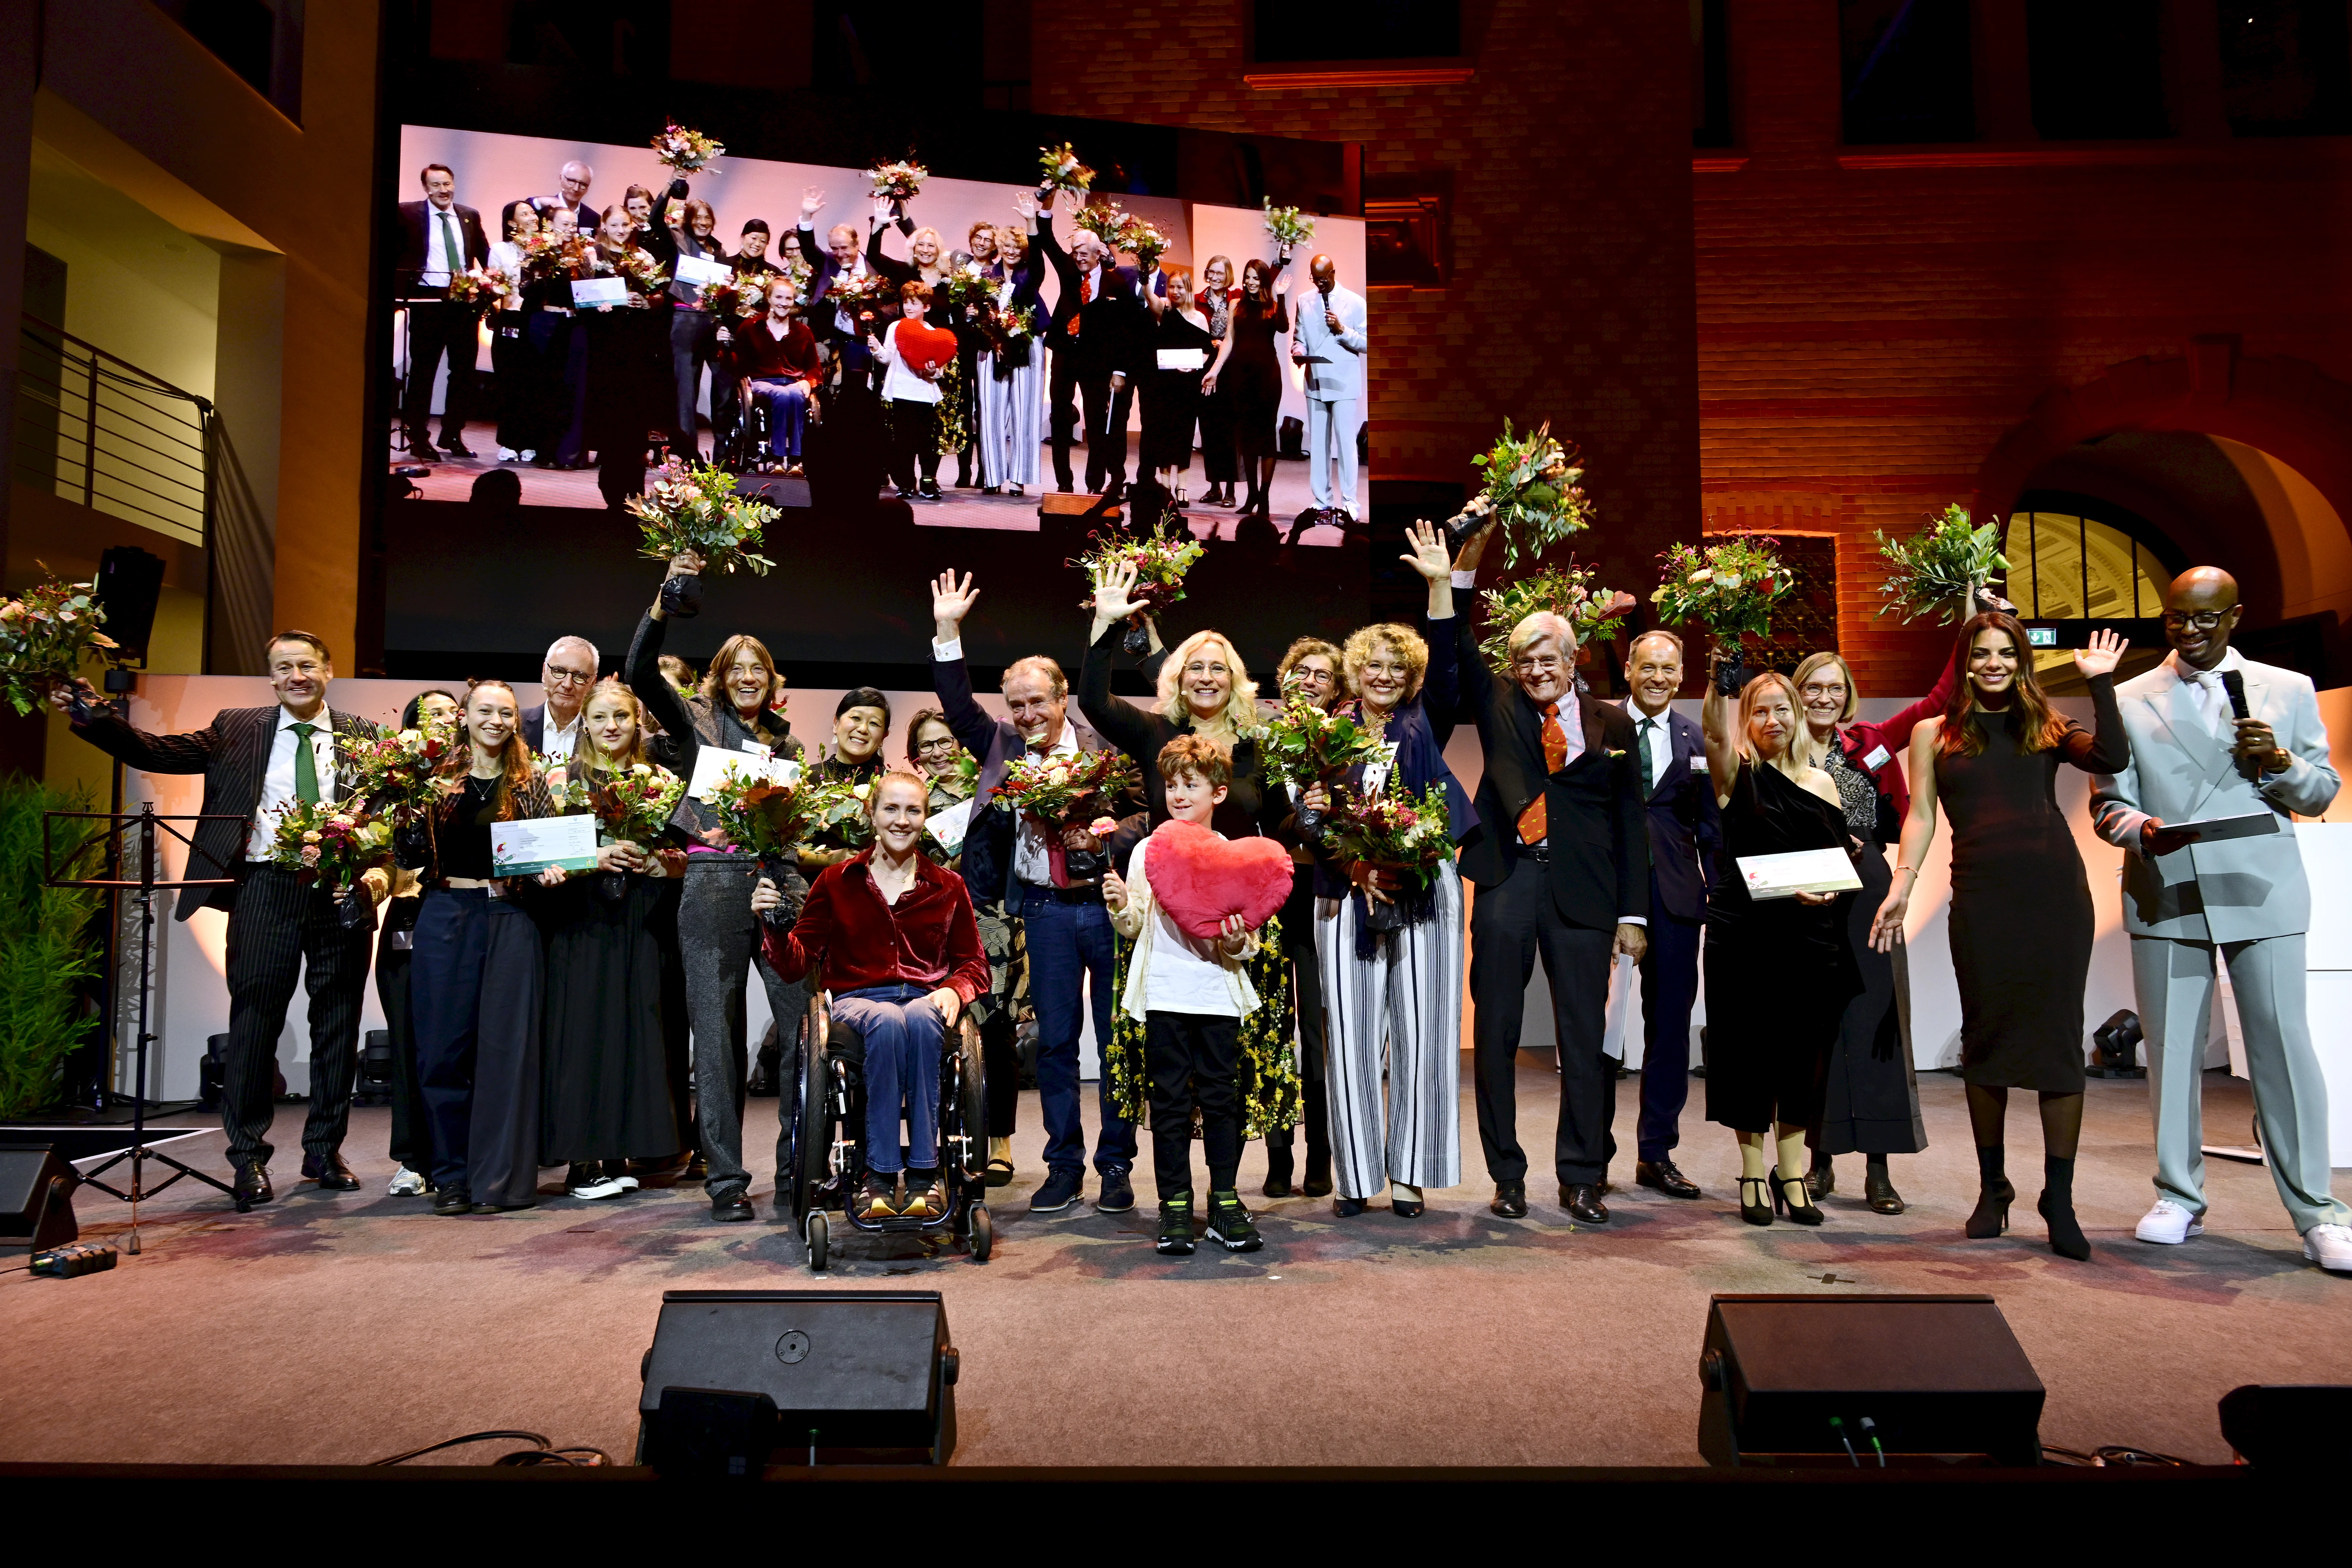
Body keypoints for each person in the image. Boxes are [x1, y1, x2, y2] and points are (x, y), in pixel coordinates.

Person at [54, 632, 387, 1208]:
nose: (295, 677)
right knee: (254, 1021)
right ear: (273, 677)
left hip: (339, 889)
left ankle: (324, 1148)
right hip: (263, 887)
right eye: (283, 668)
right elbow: (158, 752)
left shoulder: (364, 736)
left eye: (306, 665)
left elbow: (385, 807)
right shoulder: (237, 726)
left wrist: (374, 867)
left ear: (328, 670)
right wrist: (96, 718)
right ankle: (248, 1157)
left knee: (338, 1022)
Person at [2089, 568, 2352, 1274]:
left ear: (2234, 617)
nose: (2191, 631)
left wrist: (2278, 763)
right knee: (2171, 1052)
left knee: (2283, 1049)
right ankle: (2178, 1194)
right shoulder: (2127, 698)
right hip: (2166, 885)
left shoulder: (2287, 689)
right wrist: (2143, 828)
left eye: (2206, 618)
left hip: (2262, 884)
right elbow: (2107, 802)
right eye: (2178, 618)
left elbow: (2319, 788)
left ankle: (2319, 1211)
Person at [1870, 616, 2128, 1261]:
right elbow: (1923, 815)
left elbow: (2112, 758)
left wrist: (2101, 686)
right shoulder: (1934, 733)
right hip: (1982, 901)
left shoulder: (2045, 726)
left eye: (2004, 653)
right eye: (1979, 653)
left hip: (2054, 898)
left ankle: (2058, 1199)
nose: (1992, 663)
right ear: (1962, 663)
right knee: (1984, 1035)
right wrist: (1903, 882)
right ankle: (1993, 1189)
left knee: (2058, 1042)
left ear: (2020, 661)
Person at [1445, 524, 1647, 1223]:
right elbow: (1458, 646)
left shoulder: (1611, 726)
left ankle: (1583, 1174)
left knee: (1581, 1040)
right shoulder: (1499, 706)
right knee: (1496, 1033)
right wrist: (1459, 571)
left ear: (1572, 658)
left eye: (1547, 658)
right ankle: (1506, 1174)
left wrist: (1633, 913)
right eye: (1524, 660)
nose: (1536, 670)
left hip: (1585, 895)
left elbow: (1631, 826)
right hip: (1509, 882)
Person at [928, 569, 1140, 1214]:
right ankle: (1063, 1165)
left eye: (1036, 702)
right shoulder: (1001, 744)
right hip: (1043, 911)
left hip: (1103, 907)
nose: (1026, 715)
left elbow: (1145, 814)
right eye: (1015, 704)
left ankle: (1116, 1166)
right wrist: (947, 631)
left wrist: (1108, 836)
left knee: (1114, 1041)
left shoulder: (1107, 741)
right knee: (1052, 1043)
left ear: (1063, 696)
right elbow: (957, 704)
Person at [626, 552, 810, 1221]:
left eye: (757, 669)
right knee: (718, 1037)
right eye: (735, 668)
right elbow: (638, 674)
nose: (747, 678)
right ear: (719, 679)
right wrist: (664, 600)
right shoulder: (696, 725)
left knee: (800, 1032)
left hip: (778, 882)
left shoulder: (788, 744)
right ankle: (726, 1182)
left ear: (772, 680)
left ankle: (799, 1166)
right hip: (710, 883)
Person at [1308, 523, 1478, 1217]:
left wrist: (1441, 585)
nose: (1383, 676)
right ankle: (1355, 1176)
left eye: (1395, 666)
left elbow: (1447, 669)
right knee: (1348, 1036)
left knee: (1423, 1029)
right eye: (1371, 665)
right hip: (1346, 888)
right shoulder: (1322, 731)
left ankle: (1409, 1173)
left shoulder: (1425, 715)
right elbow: (1308, 815)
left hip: (1424, 884)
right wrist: (1350, 860)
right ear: (1353, 671)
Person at [754, 772, 990, 1220]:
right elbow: (794, 964)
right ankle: (878, 1175)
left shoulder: (948, 886)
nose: (902, 820)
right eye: (891, 809)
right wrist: (774, 923)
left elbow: (974, 965)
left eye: (913, 811)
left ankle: (925, 1173)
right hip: (857, 1001)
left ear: (925, 818)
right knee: (887, 1018)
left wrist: (957, 991)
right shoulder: (836, 881)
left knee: (918, 1018)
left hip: (925, 999)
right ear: (872, 814)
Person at [1791, 645, 1961, 1211]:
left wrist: (1966, 619)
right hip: (1804, 893)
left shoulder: (1871, 744)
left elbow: (1938, 700)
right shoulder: (1777, 748)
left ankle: (1879, 1170)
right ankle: (1817, 1164)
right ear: (1797, 692)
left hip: (1867, 891)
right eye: (1813, 687)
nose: (1823, 698)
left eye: (1834, 688)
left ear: (1848, 696)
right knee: (1815, 1031)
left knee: (1875, 1023)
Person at [1698, 664, 1856, 1227]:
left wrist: (1826, 890)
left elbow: (1838, 861)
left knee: (1801, 1058)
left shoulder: (1824, 783)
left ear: (1797, 714)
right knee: (1747, 1055)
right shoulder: (1734, 774)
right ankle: (1749, 1169)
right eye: (1760, 710)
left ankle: (1791, 1172)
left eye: (1781, 708)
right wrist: (1722, 676)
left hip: (1810, 941)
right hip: (1744, 938)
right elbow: (1715, 733)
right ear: (1748, 717)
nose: (1773, 720)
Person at [1105, 737, 1269, 1255]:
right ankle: (1175, 1205)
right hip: (1164, 996)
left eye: (1191, 785)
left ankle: (1224, 1202)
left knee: (1222, 1101)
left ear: (1218, 792)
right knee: (1170, 1104)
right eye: (1172, 785)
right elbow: (1136, 927)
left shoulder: (1231, 853)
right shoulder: (1147, 850)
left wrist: (1239, 938)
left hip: (1216, 997)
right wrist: (1119, 907)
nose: (1179, 794)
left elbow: (1248, 942)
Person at [404, 678, 562, 1215]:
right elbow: (408, 853)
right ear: (465, 715)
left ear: (516, 720)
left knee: (505, 1055)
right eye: (485, 710)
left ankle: (498, 1180)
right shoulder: (432, 780)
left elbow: (545, 852)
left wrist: (550, 873)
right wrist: (399, 800)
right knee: (444, 1051)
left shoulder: (531, 782)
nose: (496, 720)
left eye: (506, 712)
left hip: (511, 918)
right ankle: (450, 1177)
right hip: (447, 913)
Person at [1612, 631, 1718, 1202]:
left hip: (1677, 900)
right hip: (1607, 897)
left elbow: (1708, 828)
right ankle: (1591, 1156)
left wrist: (1720, 894)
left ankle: (1657, 1153)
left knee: (1670, 1031)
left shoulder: (1694, 737)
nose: (1658, 677)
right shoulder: (1598, 729)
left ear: (1682, 676)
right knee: (1597, 1034)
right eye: (1647, 667)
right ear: (1628, 670)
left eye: (1669, 670)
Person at [907, 708, 1028, 1184]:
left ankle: (1000, 1143)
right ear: (916, 756)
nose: (938, 752)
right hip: (933, 931)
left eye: (945, 741)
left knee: (998, 1038)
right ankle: (941, 1142)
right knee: (937, 1032)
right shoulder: (911, 801)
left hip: (995, 924)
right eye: (927, 746)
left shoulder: (993, 788)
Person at [1262, 636, 1344, 1196]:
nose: (1310, 681)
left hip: (1325, 894)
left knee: (1318, 1035)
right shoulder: (1262, 745)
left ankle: (1320, 1154)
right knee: (1271, 1030)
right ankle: (1277, 1157)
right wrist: (1298, 827)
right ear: (1284, 681)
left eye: (1322, 675)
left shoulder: (1349, 747)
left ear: (1338, 690)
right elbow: (1259, 819)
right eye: (1301, 672)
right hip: (1271, 896)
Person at [382, 688, 461, 1197]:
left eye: (455, 714)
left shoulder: (477, 778)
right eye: (433, 715)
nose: (446, 722)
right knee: (410, 1043)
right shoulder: (393, 783)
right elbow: (376, 853)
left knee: (459, 1046)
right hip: (408, 916)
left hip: (464, 918)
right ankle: (413, 1158)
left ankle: (461, 1154)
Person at [1034, 193, 1148, 498]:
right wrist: (1048, 203)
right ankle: (1063, 481)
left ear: (1100, 253)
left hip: (1098, 361)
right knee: (1060, 417)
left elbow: (1126, 331)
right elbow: (1046, 239)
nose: (1079, 257)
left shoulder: (1117, 284)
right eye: (1076, 252)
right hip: (1065, 354)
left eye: (1085, 253)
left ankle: (1095, 481)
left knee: (1097, 422)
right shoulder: (1070, 273)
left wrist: (1120, 370)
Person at [393, 163, 491, 462]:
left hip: (463, 305)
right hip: (428, 304)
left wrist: (488, 287)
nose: (443, 190)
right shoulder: (407, 213)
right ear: (425, 188)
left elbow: (486, 257)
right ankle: (417, 434)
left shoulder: (469, 215)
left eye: (447, 184)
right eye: (436, 185)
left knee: (463, 374)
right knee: (423, 372)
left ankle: (452, 433)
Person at [582, 202, 675, 508]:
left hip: (636, 342)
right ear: (605, 225)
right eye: (616, 225)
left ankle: (635, 483)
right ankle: (610, 479)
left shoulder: (642, 256)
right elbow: (579, 293)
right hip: (605, 340)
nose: (622, 230)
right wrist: (598, 303)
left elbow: (661, 295)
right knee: (609, 408)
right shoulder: (592, 254)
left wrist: (647, 301)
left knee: (635, 410)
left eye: (626, 225)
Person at [1201, 254, 1289, 519]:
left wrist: (1282, 297)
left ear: (1263, 280)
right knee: (1246, 439)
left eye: (1256, 278)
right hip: (1241, 378)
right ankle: (1251, 495)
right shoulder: (1235, 305)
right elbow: (1228, 340)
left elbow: (1284, 328)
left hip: (1267, 379)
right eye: (1247, 277)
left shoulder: (1272, 305)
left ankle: (1264, 497)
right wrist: (1215, 371)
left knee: (1266, 438)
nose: (1251, 282)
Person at [975, 194, 1049, 496]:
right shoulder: (985, 276)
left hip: (1026, 346)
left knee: (1025, 412)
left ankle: (1018, 477)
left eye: (1017, 246)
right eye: (1006, 245)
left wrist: (1032, 222)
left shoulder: (1030, 275)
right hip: (991, 347)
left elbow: (1041, 262)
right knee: (990, 413)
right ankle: (992, 476)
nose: (1011, 250)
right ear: (999, 248)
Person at [1288, 254, 1367, 531]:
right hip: (1316, 380)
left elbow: (1367, 342)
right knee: (1319, 445)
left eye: (1323, 278)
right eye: (1315, 279)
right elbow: (1299, 337)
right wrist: (1298, 351)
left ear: (1333, 272)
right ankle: (1321, 500)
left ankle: (1350, 503)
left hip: (1344, 381)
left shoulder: (1356, 303)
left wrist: (1342, 329)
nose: (1319, 284)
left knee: (1346, 445)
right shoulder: (1304, 301)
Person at [727, 278, 821, 474]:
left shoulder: (803, 332)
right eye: (778, 297)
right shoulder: (751, 327)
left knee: (794, 394)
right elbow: (737, 364)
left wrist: (808, 381)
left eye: (789, 298)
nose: (783, 303)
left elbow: (815, 368)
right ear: (768, 298)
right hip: (762, 382)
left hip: (793, 382)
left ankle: (797, 460)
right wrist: (724, 348)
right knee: (782, 394)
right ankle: (776, 458)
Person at [872, 280, 954, 501]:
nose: (909, 307)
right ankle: (906, 483)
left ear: (926, 307)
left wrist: (932, 371)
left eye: (915, 303)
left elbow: (939, 371)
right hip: (901, 392)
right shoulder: (895, 328)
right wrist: (877, 349)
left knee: (926, 441)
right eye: (906, 302)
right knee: (903, 442)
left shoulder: (933, 333)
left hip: (923, 394)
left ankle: (928, 481)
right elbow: (888, 358)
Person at [1141, 267, 1215, 509]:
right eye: (1171, 287)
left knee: (1183, 434)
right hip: (1163, 385)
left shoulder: (1199, 318)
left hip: (1187, 385)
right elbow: (1150, 298)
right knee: (1163, 434)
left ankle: (1182, 486)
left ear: (1189, 289)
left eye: (1180, 287)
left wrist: (1194, 367)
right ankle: (1164, 485)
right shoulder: (1164, 310)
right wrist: (1145, 279)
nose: (1175, 291)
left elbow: (1207, 351)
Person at [798, 186, 884, 390]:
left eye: (844, 247)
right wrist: (807, 216)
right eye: (834, 248)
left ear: (857, 245)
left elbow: (892, 304)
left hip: (870, 340)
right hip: (834, 338)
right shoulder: (828, 262)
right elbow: (809, 249)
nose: (839, 253)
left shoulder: (876, 266)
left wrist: (873, 313)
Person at [668, 196, 727, 458]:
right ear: (689, 219)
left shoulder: (719, 250)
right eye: (698, 217)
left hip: (712, 323)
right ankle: (686, 455)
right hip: (685, 320)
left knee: (725, 382)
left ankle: (724, 454)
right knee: (685, 391)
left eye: (708, 218)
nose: (703, 223)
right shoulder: (678, 240)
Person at [486, 200, 543, 464]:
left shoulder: (546, 249)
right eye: (525, 214)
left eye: (533, 213)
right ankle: (508, 441)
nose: (532, 217)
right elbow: (497, 286)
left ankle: (530, 440)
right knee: (510, 382)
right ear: (512, 222)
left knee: (534, 383)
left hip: (538, 319)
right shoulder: (500, 250)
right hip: (511, 318)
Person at [1192, 254, 1241, 508]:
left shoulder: (1237, 297)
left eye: (1220, 273)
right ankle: (1214, 487)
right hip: (1205, 367)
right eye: (1211, 272)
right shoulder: (1198, 299)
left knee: (1229, 431)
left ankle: (1231, 489)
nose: (1215, 277)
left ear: (1229, 275)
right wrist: (1208, 343)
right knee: (1209, 428)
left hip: (1230, 369)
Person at [521, 635, 600, 759]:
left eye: (580, 676)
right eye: (559, 671)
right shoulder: (516, 724)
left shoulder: (600, 732)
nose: (567, 684)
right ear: (544, 672)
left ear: (593, 683)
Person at [538, 160, 597, 236]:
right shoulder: (542, 209)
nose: (576, 189)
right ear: (561, 178)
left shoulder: (593, 218)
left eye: (583, 185)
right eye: (572, 181)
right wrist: (538, 202)